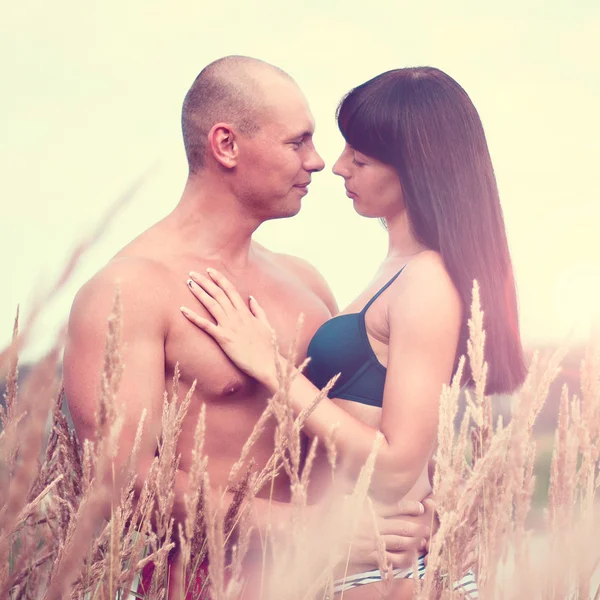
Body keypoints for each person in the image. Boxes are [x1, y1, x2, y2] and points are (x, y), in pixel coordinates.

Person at [62, 56, 430, 599]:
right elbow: (119, 484)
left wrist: (417, 513)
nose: (318, 161)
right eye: (297, 142)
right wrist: (311, 529)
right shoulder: (129, 291)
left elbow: (354, 432)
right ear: (226, 144)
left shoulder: (306, 282)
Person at [181, 66, 528, 599]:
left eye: (360, 159)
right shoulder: (396, 269)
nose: (336, 167)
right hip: (355, 563)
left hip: (379, 575)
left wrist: (268, 364)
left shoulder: (428, 281)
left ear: (415, 170)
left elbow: (394, 465)